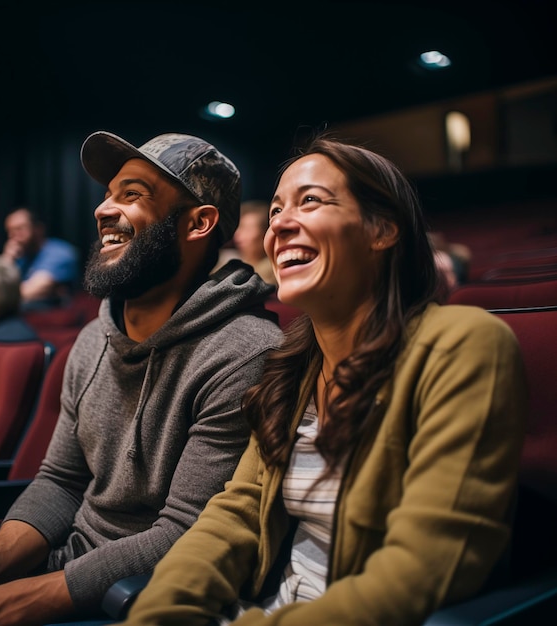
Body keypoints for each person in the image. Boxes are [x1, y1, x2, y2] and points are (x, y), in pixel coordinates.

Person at [120, 135, 528, 625]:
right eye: (274, 211)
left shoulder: (463, 344)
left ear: (382, 230)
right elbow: (237, 513)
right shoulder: (291, 367)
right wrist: (157, 614)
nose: (280, 226)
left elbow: (426, 566)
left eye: (309, 201)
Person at [0, 131, 283, 624]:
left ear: (198, 222)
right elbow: (59, 481)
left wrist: (0, 605)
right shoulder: (94, 338)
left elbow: (184, 533)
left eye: (132, 194)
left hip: (138, 600)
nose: (103, 210)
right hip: (62, 571)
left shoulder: (244, 353)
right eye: (108, 194)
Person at [2, 207, 80, 310]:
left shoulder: (60, 252)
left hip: (55, 320)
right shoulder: (18, 257)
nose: (14, 236)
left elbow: (29, 292)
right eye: (10, 231)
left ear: (38, 229)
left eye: (19, 229)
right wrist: (7, 259)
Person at [232, 200, 277, 286]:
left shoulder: (273, 274)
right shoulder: (227, 262)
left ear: (266, 233)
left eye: (247, 229)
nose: (238, 236)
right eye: (239, 228)